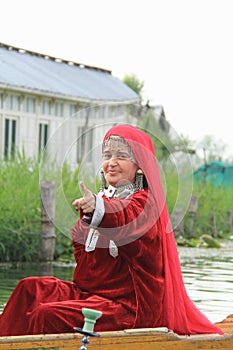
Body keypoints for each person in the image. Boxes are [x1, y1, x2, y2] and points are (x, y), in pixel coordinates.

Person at [0, 124, 223, 336]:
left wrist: (98, 210)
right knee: (29, 289)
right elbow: (85, 254)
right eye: (107, 156)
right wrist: (89, 216)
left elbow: (125, 217)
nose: (112, 163)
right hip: (92, 296)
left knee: (48, 314)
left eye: (122, 156)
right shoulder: (105, 199)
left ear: (140, 165)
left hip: (130, 309)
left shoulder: (146, 204)